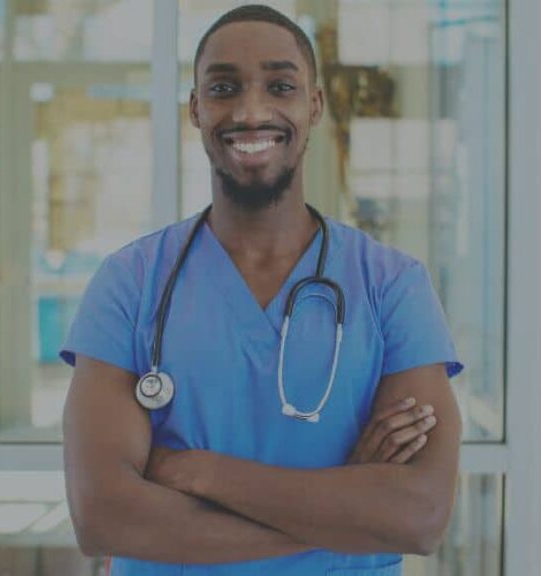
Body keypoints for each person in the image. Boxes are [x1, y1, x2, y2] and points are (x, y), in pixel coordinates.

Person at [61, 5, 463, 575]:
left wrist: (200, 472)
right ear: (196, 109)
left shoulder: (392, 284)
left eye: (280, 85)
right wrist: (345, 509)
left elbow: (418, 516)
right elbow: (103, 517)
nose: (251, 110)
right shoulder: (130, 283)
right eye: (224, 87)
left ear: (314, 105)